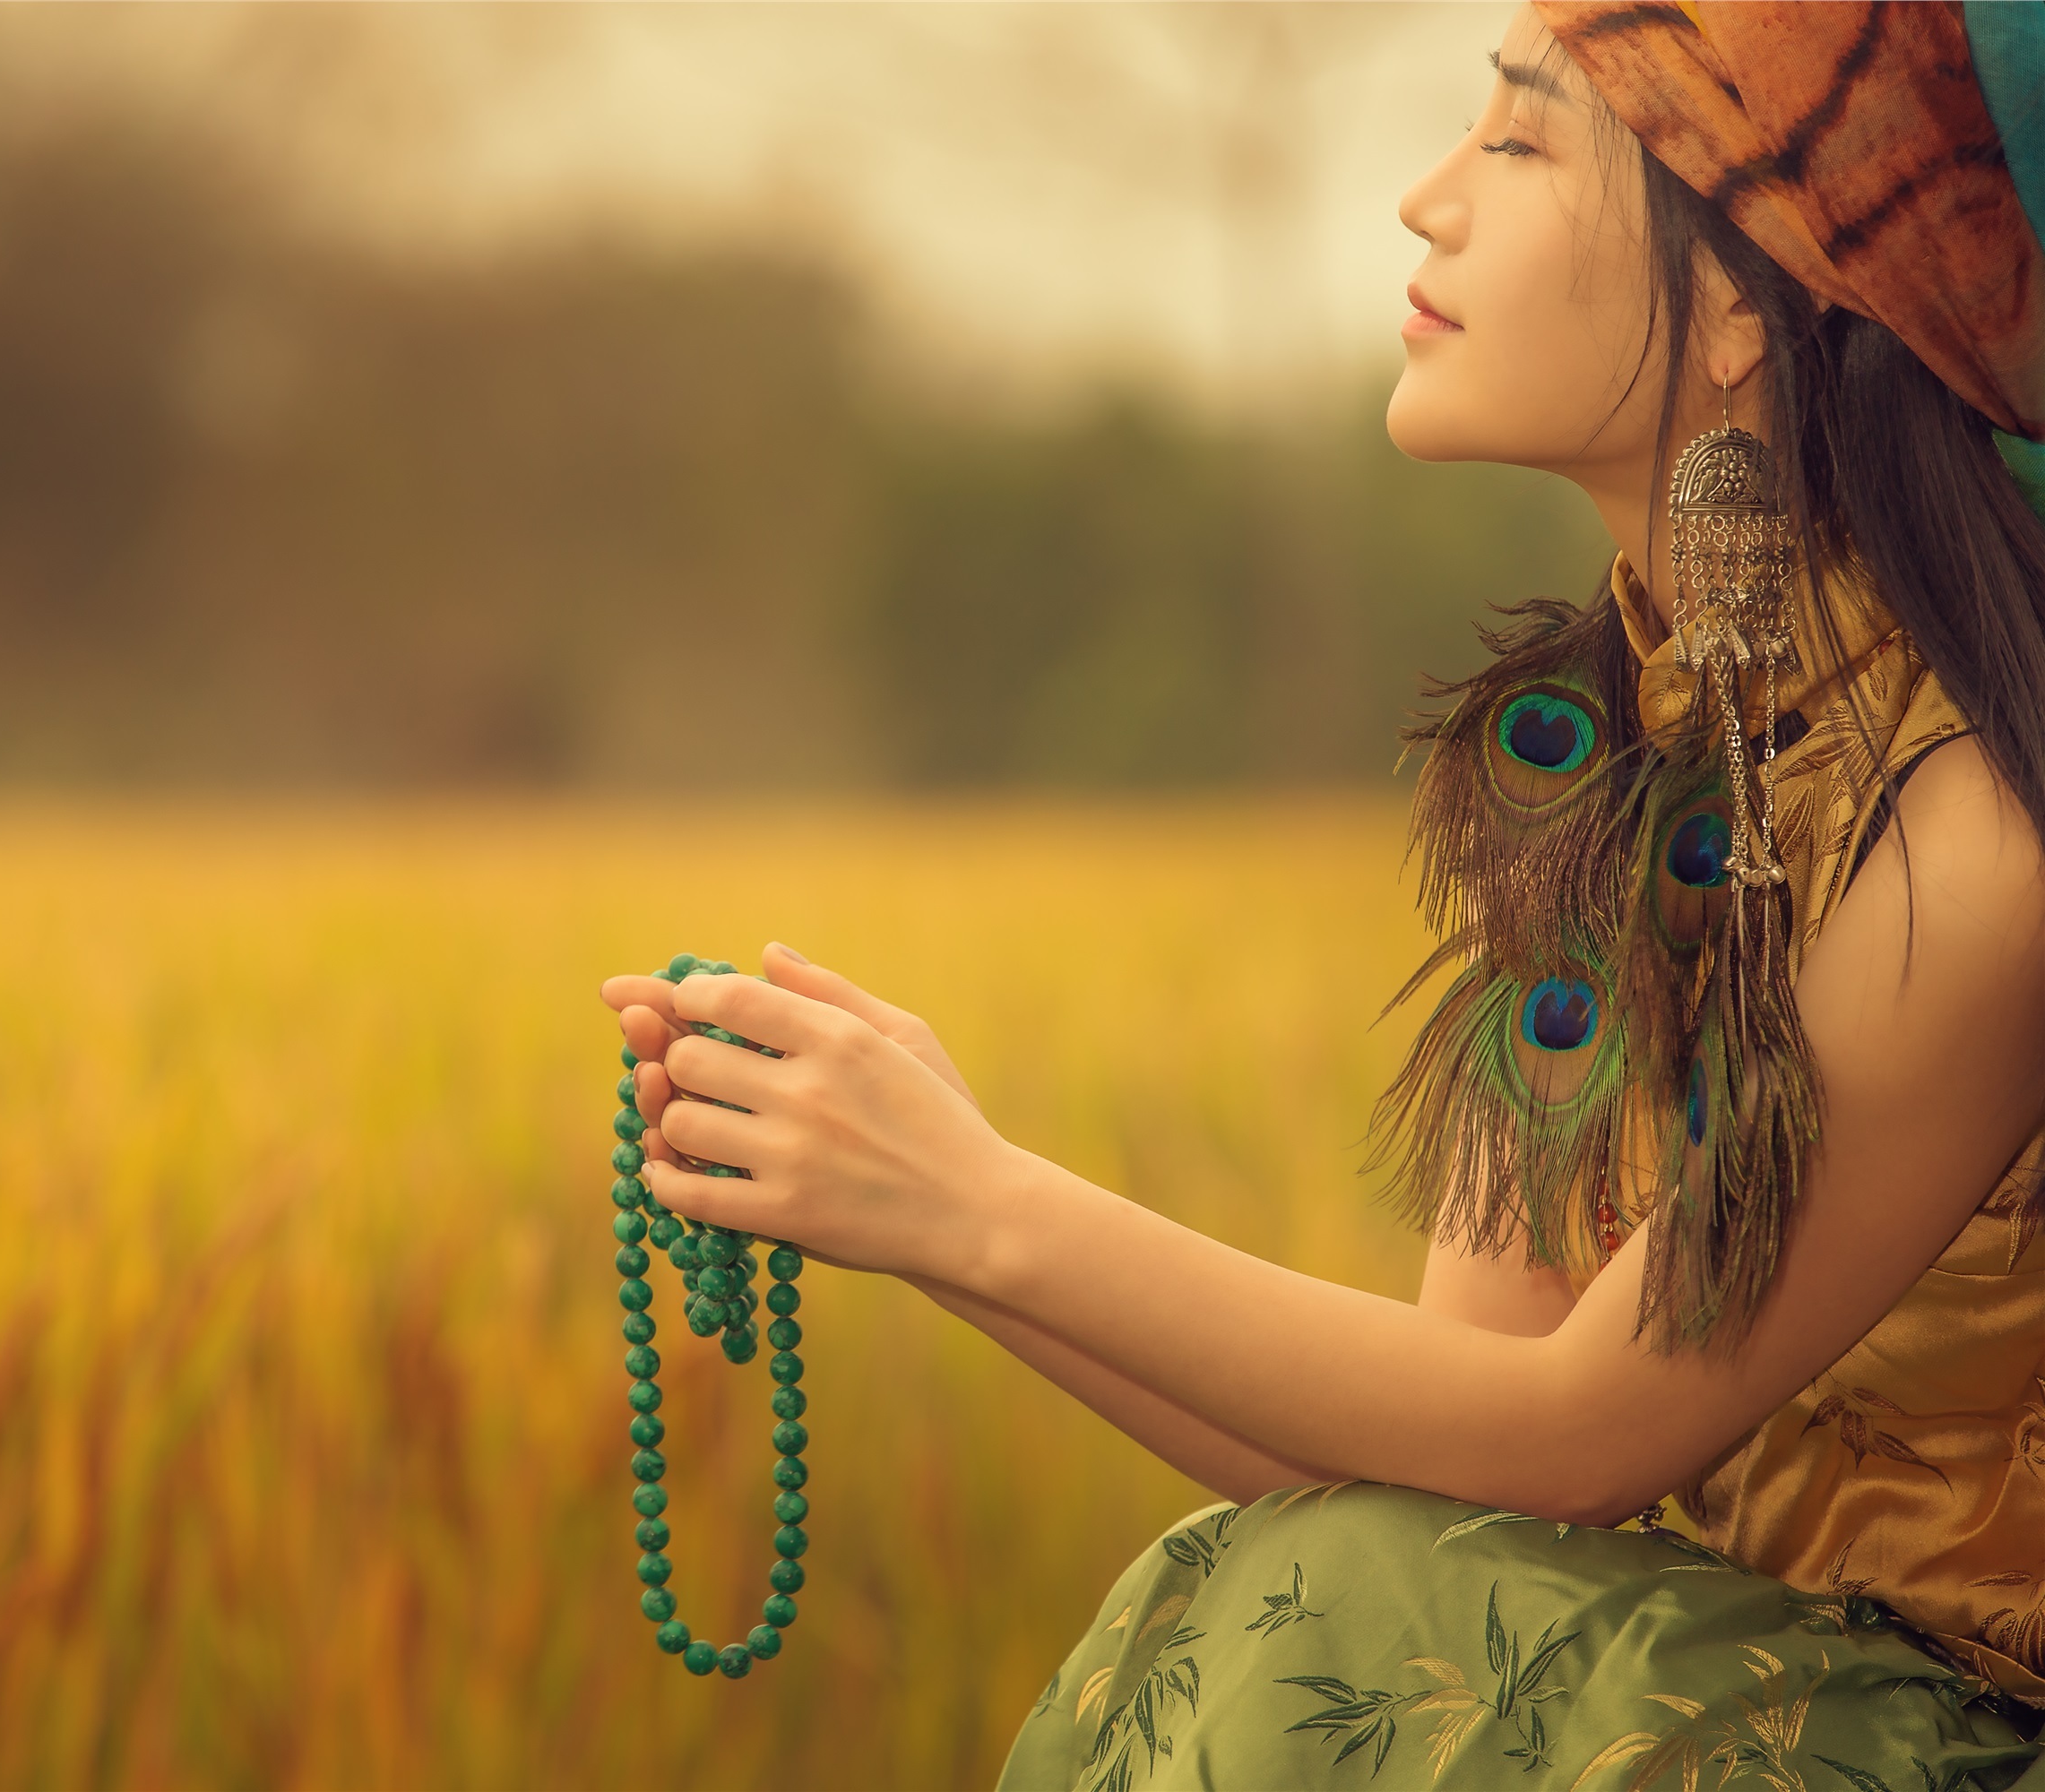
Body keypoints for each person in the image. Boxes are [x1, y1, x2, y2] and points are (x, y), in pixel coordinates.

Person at [604, 3, 2045, 1783]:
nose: (1424, 203)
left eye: (1519, 142)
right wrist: (920, 1205)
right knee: (1311, 1573)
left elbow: (1573, 1439)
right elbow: (1445, 1479)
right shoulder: (1605, 757)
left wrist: (981, 1201)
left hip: (1946, 1733)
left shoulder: (1976, 840)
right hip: (1678, 1686)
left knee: (1325, 1601)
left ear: (1750, 297)